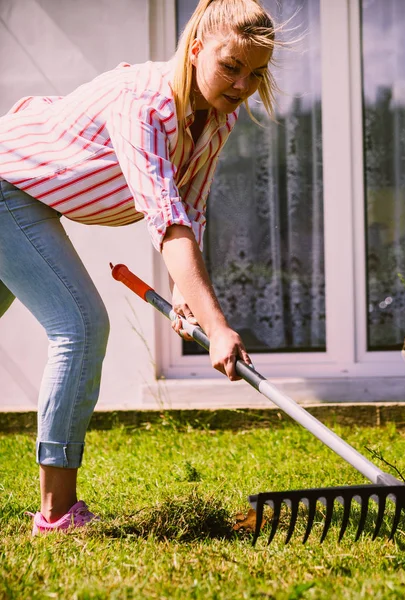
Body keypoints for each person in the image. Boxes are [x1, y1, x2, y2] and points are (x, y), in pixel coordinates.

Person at [0, 0, 278, 534]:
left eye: (257, 73)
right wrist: (218, 327)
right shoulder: (143, 102)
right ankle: (58, 515)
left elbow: (190, 208)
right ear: (196, 48)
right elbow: (165, 217)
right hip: (9, 187)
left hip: (29, 195)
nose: (243, 84)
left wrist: (182, 289)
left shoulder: (219, 116)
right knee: (80, 326)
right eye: (231, 66)